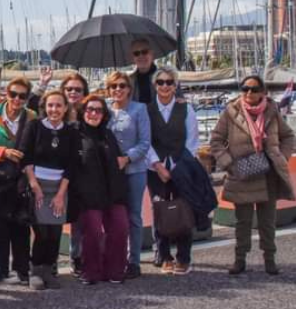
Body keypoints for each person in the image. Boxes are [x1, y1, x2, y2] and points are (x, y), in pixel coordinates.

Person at [210, 74, 295, 275]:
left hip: (268, 174)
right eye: (245, 88)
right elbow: (216, 141)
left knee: (267, 221)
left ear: (263, 92)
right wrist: (229, 164)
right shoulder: (230, 112)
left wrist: (282, 157)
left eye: (254, 89)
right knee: (243, 221)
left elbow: (288, 136)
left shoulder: (272, 111)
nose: (249, 92)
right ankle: (240, 259)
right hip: (242, 174)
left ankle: (270, 259)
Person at [70, 94, 130, 285]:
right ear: (83, 111)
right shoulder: (74, 133)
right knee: (94, 231)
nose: (94, 113)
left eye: (98, 110)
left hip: (113, 192)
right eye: (90, 109)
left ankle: (115, 270)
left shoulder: (108, 134)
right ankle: (91, 271)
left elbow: (118, 161)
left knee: (121, 227)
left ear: (104, 115)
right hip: (87, 195)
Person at [146, 67, 199, 275]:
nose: (165, 86)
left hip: (181, 166)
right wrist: (157, 165)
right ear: (155, 85)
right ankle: (165, 255)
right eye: (161, 82)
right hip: (155, 168)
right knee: (159, 211)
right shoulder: (147, 111)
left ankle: (184, 257)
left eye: (169, 82)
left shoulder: (186, 110)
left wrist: (178, 167)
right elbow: (145, 140)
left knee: (183, 211)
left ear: (175, 85)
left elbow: (193, 142)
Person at [19, 90, 74, 291]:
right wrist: (34, 185)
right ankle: (36, 271)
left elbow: (72, 164)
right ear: (44, 107)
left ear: (65, 108)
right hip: (37, 185)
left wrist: (61, 194)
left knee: (55, 231)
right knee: (41, 231)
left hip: (59, 187)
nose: (54, 109)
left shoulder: (70, 131)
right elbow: (25, 157)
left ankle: (49, 270)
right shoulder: (34, 127)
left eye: (59, 105)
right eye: (50, 105)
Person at [0, 77, 37, 285]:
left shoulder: (31, 117)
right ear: (6, 93)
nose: (17, 99)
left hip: (21, 177)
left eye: (22, 96)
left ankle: (22, 268)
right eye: (13, 94)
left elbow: (35, 147)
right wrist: (3, 152)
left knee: (21, 224)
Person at [105, 70, 152, 279]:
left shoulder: (139, 109)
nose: (118, 90)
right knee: (111, 215)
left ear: (129, 89)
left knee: (133, 215)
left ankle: (134, 260)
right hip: (109, 172)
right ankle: (112, 258)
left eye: (122, 85)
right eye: (114, 86)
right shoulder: (104, 110)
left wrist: (127, 158)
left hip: (134, 170)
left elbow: (145, 142)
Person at [60, 72, 89, 276]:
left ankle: (76, 256)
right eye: (69, 89)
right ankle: (48, 262)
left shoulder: (89, 114)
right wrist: (42, 85)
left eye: (78, 89)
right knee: (53, 218)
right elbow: (35, 104)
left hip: (82, 172)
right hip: (57, 172)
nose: (73, 93)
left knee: (79, 218)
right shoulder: (54, 111)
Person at [127, 39, 157, 105]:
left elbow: (179, 101)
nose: (141, 56)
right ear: (133, 58)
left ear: (152, 54)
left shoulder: (167, 77)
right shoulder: (128, 81)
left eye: (144, 52)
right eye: (136, 53)